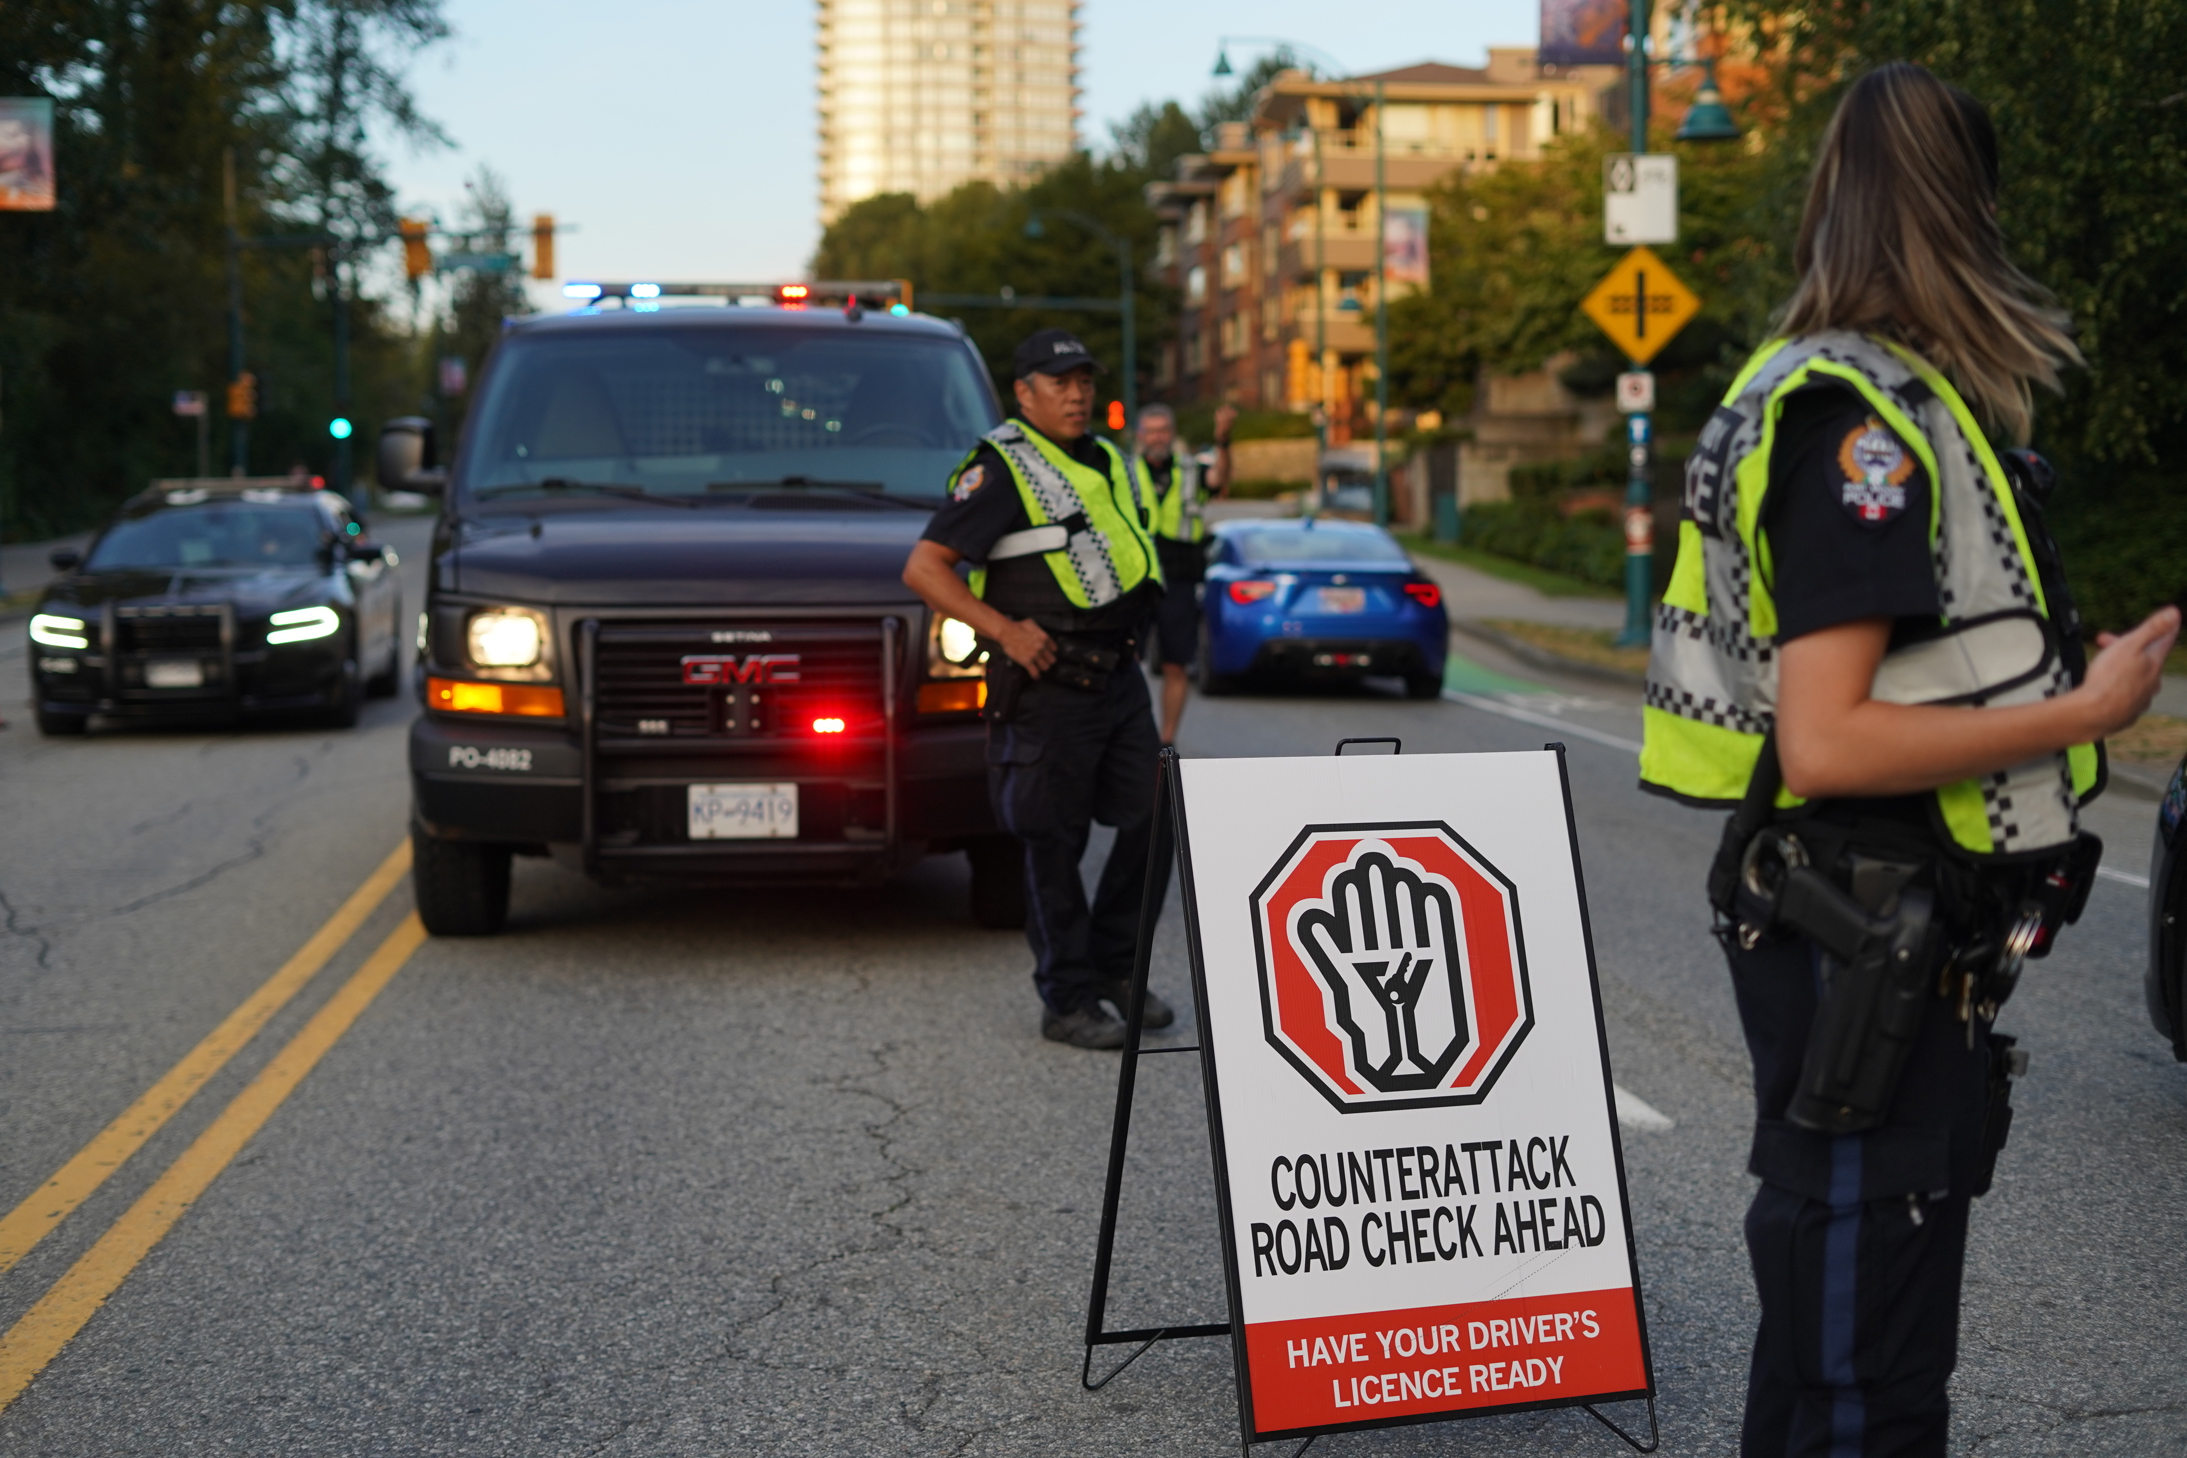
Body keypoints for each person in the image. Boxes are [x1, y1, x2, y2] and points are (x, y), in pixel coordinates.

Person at [1638, 64, 2177, 1456]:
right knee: (1862, 1371)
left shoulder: (1828, 389)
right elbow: (1824, 737)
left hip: (1855, 915)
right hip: (1861, 921)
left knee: (1833, 1337)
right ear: (1960, 208)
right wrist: (2087, 709)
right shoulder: (1859, 426)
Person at [902, 329, 1174, 1050]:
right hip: (1049, 687)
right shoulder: (1000, 469)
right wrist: (1004, 630)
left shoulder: (1105, 458)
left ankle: (1116, 967)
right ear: (1024, 393)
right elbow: (924, 568)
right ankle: (1067, 998)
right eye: (1060, 382)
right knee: (1053, 843)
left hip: (1118, 678)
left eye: (1084, 380)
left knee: (1155, 817)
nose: (1077, 394)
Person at [1132, 402, 1233, 745]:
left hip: (1179, 580)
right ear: (1140, 435)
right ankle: (1132, 736)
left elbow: (1219, 478)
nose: (1158, 437)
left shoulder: (1191, 470)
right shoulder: (1125, 472)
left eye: (1163, 430)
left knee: (1176, 664)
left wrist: (1223, 441)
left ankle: (1166, 740)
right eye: (1151, 431)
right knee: (1127, 663)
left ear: (1172, 434)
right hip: (1135, 582)